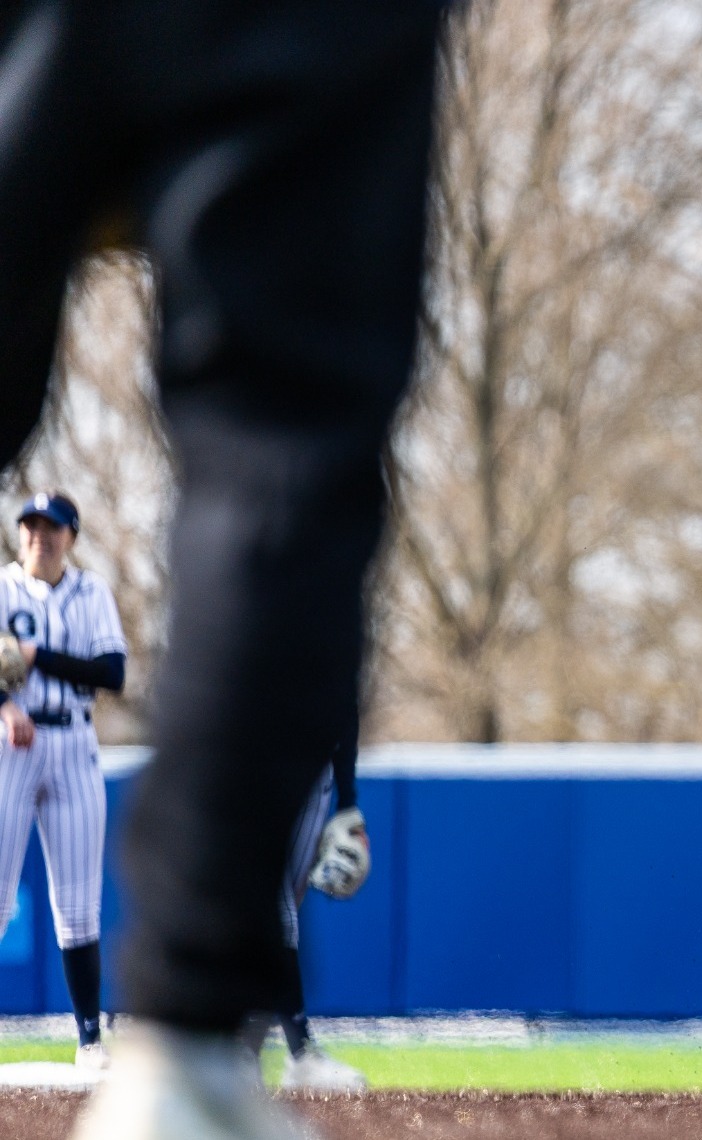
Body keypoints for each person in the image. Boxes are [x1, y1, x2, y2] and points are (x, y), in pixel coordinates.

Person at [0, 2, 448, 1136]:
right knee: (278, 445)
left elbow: (102, 663)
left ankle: (172, 1040)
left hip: (61, 739)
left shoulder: (78, 586)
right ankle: (185, 1055)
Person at [0, 492, 125, 1073]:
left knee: (78, 906)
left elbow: (111, 672)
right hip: (11, 747)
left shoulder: (91, 592)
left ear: (70, 536)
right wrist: (4, 705)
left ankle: (90, 1040)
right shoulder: (3, 588)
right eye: (30, 525)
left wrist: (36, 655)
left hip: (74, 742)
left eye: (50, 528)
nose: (37, 536)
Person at [242, 731, 367, 1093]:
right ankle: (297, 1052)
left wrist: (348, 802)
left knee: (282, 918)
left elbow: (344, 701)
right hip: (258, 764)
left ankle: (250, 1049)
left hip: (317, 773)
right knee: (275, 914)